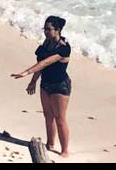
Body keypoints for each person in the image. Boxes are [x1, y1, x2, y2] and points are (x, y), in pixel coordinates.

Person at [12, 15, 73, 159]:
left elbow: (45, 63)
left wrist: (26, 72)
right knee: (47, 115)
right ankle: (50, 144)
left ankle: (64, 151)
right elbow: (40, 64)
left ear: (58, 30)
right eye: (44, 29)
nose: (45, 32)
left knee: (60, 118)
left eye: (48, 29)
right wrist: (33, 81)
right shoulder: (46, 44)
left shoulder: (64, 48)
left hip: (60, 86)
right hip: (45, 84)